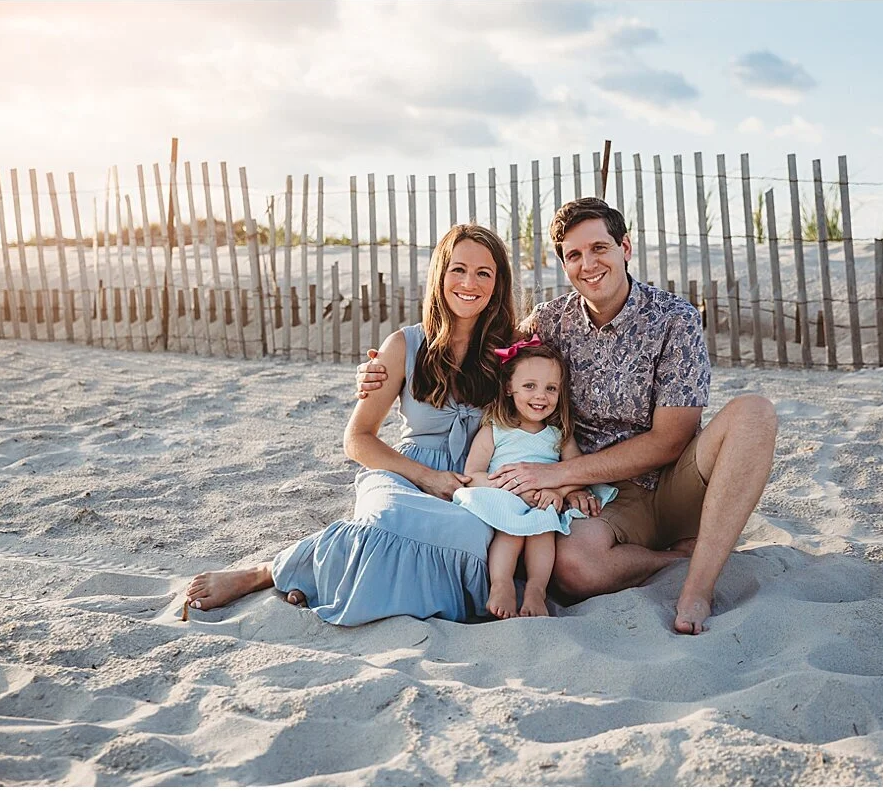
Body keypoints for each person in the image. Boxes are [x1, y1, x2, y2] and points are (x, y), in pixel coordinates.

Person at [357, 197, 777, 635]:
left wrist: (554, 476)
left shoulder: (675, 319)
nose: (588, 264)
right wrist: (381, 370)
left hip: (675, 481)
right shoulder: (549, 322)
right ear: (563, 264)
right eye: (573, 255)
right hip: (602, 497)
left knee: (755, 413)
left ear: (625, 248)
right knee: (573, 570)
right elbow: (476, 348)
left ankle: (698, 587)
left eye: (599, 248)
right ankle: (677, 557)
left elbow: (670, 441)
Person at [185, 223, 516, 625]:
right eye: (458, 270)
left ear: (498, 284)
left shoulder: (513, 350)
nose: (469, 282)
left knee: (465, 536)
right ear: (440, 276)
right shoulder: (404, 344)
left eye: (484, 273)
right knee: (388, 519)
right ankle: (266, 572)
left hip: (475, 479)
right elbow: (357, 440)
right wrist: (427, 477)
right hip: (406, 470)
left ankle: (322, 573)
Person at [452, 335, 617, 619]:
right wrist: (503, 488)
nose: (541, 396)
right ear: (508, 388)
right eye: (530, 386)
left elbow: (578, 469)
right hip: (505, 500)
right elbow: (472, 474)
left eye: (550, 388)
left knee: (543, 531)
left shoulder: (558, 435)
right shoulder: (495, 430)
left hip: (544, 502)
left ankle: (536, 589)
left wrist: (560, 492)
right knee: (510, 531)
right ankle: (501, 584)